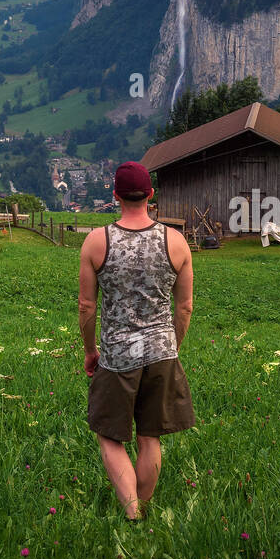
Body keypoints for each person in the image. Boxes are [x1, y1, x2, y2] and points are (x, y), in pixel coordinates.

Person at [78, 160, 195, 520]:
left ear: (115, 195)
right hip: (162, 352)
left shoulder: (98, 241)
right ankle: (141, 510)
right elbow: (185, 306)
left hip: (116, 355)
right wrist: (171, 347)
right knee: (150, 436)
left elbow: (86, 306)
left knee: (109, 435)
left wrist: (90, 350)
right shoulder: (175, 242)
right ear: (150, 195)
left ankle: (131, 514)